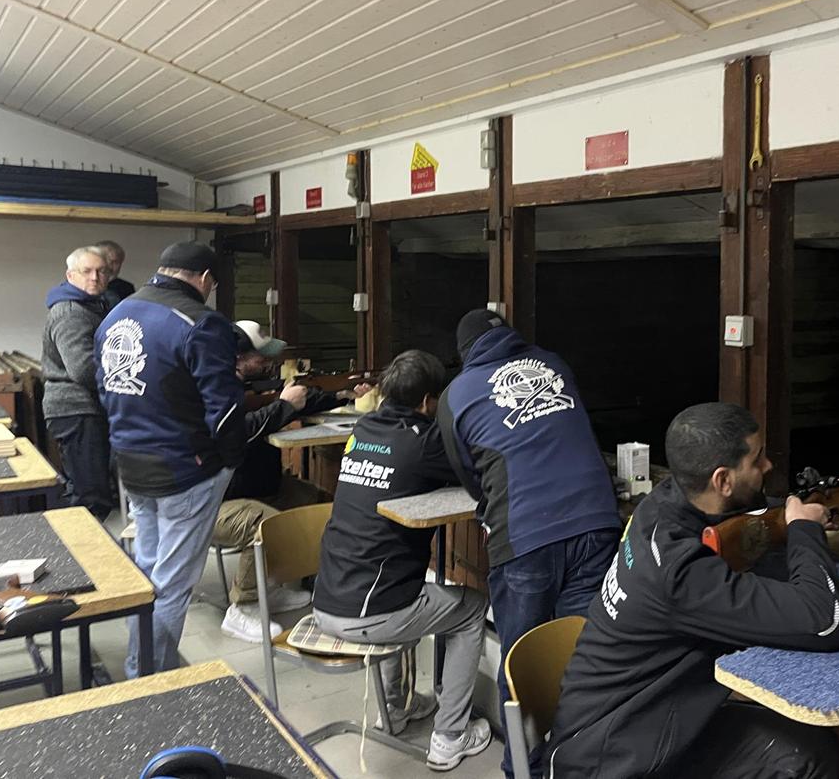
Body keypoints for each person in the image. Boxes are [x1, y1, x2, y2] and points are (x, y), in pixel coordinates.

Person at [546, 402, 839, 779]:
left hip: (633, 720)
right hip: (614, 761)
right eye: (756, 459)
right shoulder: (678, 573)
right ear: (722, 481)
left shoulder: (661, 505)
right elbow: (823, 622)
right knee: (806, 757)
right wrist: (806, 531)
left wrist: (795, 514)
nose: (768, 465)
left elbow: (740, 522)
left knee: (799, 739)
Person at [437, 309, 621, 778]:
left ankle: (524, 769)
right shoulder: (553, 363)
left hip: (524, 535)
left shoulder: (457, 393)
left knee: (522, 664)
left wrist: (494, 506)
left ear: (464, 353)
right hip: (596, 520)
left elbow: (469, 474)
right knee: (584, 655)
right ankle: (580, 762)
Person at [313, 349, 492, 773]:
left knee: (403, 588)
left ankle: (395, 708)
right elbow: (478, 469)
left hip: (326, 598)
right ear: (429, 402)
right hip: (369, 613)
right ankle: (451, 736)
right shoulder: (424, 443)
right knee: (471, 609)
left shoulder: (362, 429)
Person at [96, 241, 244, 677]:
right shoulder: (201, 322)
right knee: (173, 585)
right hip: (185, 470)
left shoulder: (116, 314)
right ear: (205, 279)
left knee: (146, 575)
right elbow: (225, 409)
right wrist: (230, 459)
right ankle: (151, 679)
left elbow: (105, 387)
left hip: (131, 463)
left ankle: (139, 663)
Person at [216, 319, 370, 644]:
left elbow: (299, 402)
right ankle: (242, 608)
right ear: (238, 358)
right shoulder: (216, 390)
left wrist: (342, 394)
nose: (269, 362)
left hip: (259, 487)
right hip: (215, 501)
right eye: (261, 356)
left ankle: (275, 585)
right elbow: (237, 435)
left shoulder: (252, 385)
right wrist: (284, 405)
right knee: (265, 525)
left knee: (321, 504)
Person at [41, 245, 113, 519]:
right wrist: (124, 382)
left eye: (101, 271)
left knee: (87, 491)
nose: (95, 277)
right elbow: (83, 369)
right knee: (90, 498)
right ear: (71, 275)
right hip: (76, 410)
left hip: (83, 410)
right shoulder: (71, 312)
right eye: (87, 271)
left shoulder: (91, 306)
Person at [96, 240, 135, 309]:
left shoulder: (127, 288)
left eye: (115, 262)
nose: (110, 266)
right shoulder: (82, 285)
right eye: (106, 260)